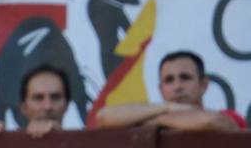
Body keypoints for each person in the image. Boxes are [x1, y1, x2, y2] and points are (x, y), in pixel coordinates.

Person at [95, 50, 247, 130]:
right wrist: (167, 107)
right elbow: (103, 117)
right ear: (161, 89)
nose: (177, 86)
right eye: (169, 80)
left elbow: (212, 121)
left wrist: (160, 119)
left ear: (203, 84)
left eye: (185, 77)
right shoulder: (160, 110)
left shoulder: (227, 116)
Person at [0, 64, 70, 138]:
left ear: (66, 105)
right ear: (23, 107)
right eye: (38, 98)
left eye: (55, 97)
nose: (48, 106)